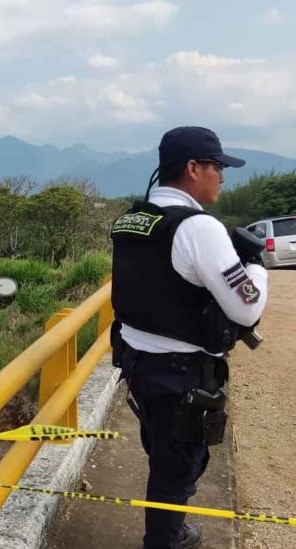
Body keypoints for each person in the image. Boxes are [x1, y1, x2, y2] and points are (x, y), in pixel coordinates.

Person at [109, 126, 268, 549]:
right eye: (217, 167)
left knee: (163, 452)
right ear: (194, 168)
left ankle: (170, 530)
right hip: (181, 376)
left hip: (137, 360)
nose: (222, 176)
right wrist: (256, 268)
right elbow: (247, 307)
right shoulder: (200, 228)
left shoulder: (132, 219)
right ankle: (164, 540)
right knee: (177, 469)